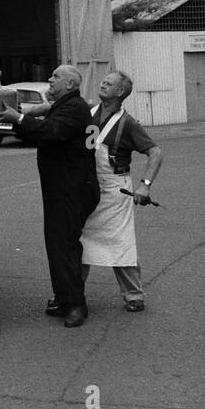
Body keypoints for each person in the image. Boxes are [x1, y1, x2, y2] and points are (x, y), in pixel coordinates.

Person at [0, 64, 100, 328]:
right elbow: (42, 132)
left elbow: (49, 133)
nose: (49, 80)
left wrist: (17, 119)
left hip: (72, 189)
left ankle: (76, 305)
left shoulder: (74, 108)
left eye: (55, 77)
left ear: (71, 84)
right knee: (57, 245)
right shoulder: (66, 105)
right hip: (63, 188)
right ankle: (65, 298)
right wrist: (18, 120)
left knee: (65, 246)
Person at [82, 70, 164, 312]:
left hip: (115, 189)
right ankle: (72, 293)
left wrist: (145, 185)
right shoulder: (89, 113)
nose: (103, 83)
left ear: (120, 92)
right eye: (103, 80)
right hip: (87, 187)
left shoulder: (128, 123)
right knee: (78, 240)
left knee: (121, 242)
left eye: (110, 82)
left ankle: (134, 295)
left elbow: (156, 153)